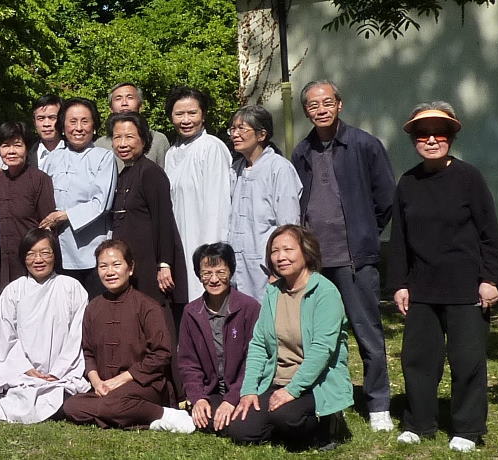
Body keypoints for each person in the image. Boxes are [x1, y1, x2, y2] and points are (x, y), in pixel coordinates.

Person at [388, 103, 498, 452]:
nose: (431, 140)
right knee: (418, 360)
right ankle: (419, 423)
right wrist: (399, 284)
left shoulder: (469, 178)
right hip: (422, 287)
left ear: (451, 137)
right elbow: (399, 239)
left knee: (467, 361)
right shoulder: (408, 182)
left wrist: (491, 279)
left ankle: (468, 429)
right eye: (423, 135)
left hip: (466, 287)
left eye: (439, 133)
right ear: (414, 141)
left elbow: (490, 234)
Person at [291, 80, 395, 431]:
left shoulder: (364, 145)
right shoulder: (302, 152)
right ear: (306, 111)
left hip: (354, 260)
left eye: (326, 102)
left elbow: (386, 199)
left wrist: (366, 232)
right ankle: (327, 398)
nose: (320, 109)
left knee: (367, 332)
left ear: (339, 104)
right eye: (313, 105)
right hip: (315, 262)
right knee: (320, 336)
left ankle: (378, 403)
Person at [227, 225, 352, 449]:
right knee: (240, 429)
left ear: (306, 252)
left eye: (288, 249)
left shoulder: (326, 293)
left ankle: (328, 421)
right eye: (274, 251)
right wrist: (249, 391)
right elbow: (259, 344)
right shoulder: (273, 292)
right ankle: (282, 422)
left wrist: (291, 391)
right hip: (276, 380)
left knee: (285, 417)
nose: (280, 257)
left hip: (315, 383)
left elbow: (322, 350)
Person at [63, 239, 189, 431]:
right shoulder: (93, 308)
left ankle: (164, 414)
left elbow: (161, 354)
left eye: (116, 264)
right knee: (71, 406)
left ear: (130, 268)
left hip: (143, 384)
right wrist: (97, 382)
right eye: (103, 266)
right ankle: (146, 417)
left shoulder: (148, 306)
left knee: (113, 403)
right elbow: (88, 352)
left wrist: (119, 380)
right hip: (106, 388)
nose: (109, 272)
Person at [0, 228, 89, 423]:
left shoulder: (71, 287)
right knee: (21, 396)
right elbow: (6, 338)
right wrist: (27, 369)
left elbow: (77, 336)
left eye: (45, 253)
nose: (38, 260)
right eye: (31, 254)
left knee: (63, 397)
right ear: (23, 257)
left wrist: (57, 372)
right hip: (25, 376)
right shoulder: (13, 291)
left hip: (63, 375)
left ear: (55, 255)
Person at [176, 243, 261, 434]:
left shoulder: (249, 307)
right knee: (206, 419)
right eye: (207, 273)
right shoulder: (191, 312)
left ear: (231, 271)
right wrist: (198, 398)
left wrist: (231, 399)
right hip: (212, 392)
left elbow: (253, 361)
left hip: (243, 389)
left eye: (220, 272)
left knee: (243, 427)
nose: (214, 279)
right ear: (199, 275)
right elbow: (188, 364)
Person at [106, 111, 187, 306]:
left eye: (129, 137)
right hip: (130, 263)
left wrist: (164, 263)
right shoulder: (124, 173)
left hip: (149, 263)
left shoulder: (150, 172)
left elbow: (164, 220)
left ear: (143, 139)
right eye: (117, 137)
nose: (122, 144)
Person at [39, 97, 117, 298]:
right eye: (72, 121)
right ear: (63, 126)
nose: (79, 128)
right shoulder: (51, 159)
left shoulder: (104, 157)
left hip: (92, 250)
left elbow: (101, 203)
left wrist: (64, 215)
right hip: (58, 249)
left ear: (94, 126)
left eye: (85, 121)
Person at [163, 87, 232, 302]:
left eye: (192, 113)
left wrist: (212, 256)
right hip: (179, 244)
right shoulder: (172, 152)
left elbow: (217, 207)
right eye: (179, 114)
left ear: (203, 115)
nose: (186, 120)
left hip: (204, 243)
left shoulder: (211, 147)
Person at [227, 105, 302, 300]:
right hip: (238, 264)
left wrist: (279, 267)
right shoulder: (236, 169)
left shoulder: (279, 168)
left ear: (261, 135)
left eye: (242, 128)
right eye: (233, 129)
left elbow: (289, 224)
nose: (235, 134)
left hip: (266, 265)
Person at [0, 122, 55, 291]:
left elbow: (47, 225)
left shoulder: (39, 179)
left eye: (17, 145)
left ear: (26, 148)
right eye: (5, 146)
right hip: (0, 264)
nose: (11, 151)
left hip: (30, 263)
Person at [94, 83, 170, 168]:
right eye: (118, 98)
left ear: (141, 106)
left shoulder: (158, 140)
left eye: (130, 97)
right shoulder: (100, 145)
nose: (124, 103)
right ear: (111, 108)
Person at [29, 94, 61, 168]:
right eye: (41, 118)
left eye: (52, 118)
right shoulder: (26, 154)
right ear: (34, 122)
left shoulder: (75, 150)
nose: (46, 124)